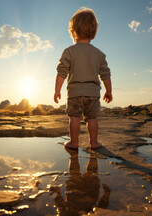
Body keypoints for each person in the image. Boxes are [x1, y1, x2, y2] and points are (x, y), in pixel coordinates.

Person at [54, 7, 112, 149]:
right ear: (93, 34)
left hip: (74, 93)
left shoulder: (69, 51)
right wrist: (108, 91)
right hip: (93, 93)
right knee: (92, 119)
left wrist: (57, 91)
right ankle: (94, 143)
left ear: (73, 32)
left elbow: (62, 72)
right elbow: (105, 74)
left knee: (74, 118)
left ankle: (74, 143)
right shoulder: (99, 54)